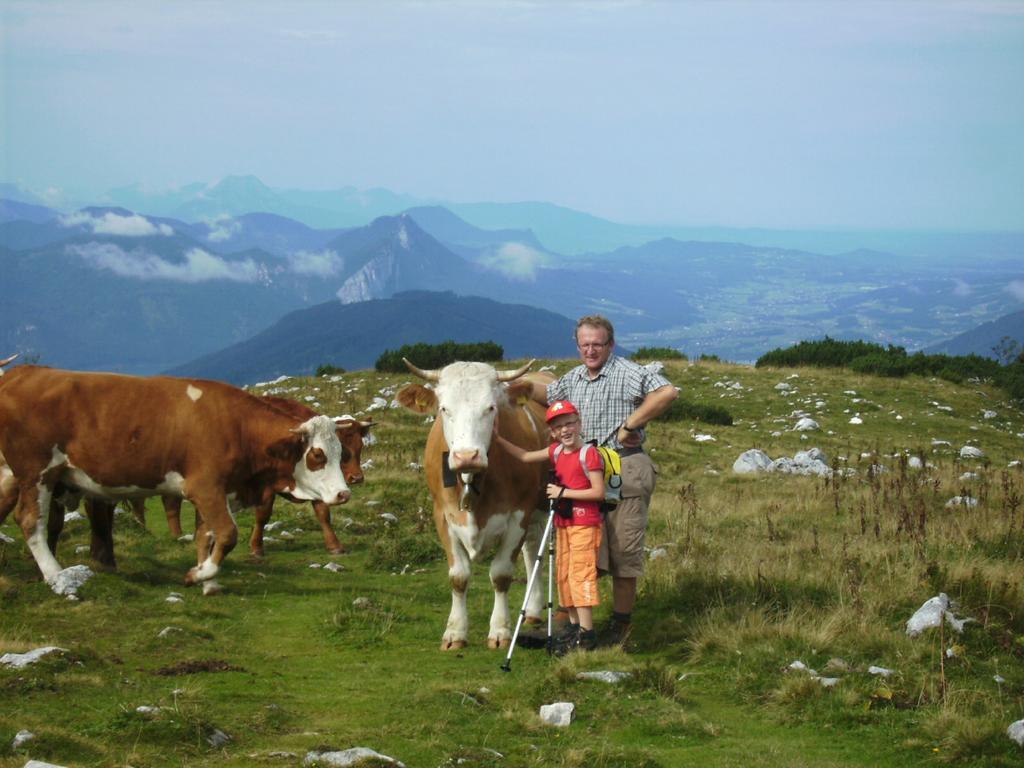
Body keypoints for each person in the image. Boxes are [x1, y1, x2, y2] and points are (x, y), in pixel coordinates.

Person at [533, 315, 678, 647]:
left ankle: (620, 626)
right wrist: (516, 385)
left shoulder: (626, 373)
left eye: (597, 343)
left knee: (623, 551)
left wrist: (631, 425)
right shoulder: (574, 378)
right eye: (584, 344)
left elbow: (667, 392)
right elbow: (550, 394)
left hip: (624, 468)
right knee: (582, 550)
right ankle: (577, 625)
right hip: (585, 473)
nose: (591, 350)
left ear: (611, 344)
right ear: (577, 345)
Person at [495, 400, 604, 653]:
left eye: (569, 424)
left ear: (579, 424)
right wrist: (497, 439)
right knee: (564, 577)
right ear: (553, 433)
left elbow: (598, 492)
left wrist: (562, 492)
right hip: (563, 524)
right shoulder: (555, 452)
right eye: (558, 427)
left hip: (584, 524)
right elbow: (524, 456)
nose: (565, 430)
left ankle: (587, 636)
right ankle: (575, 630)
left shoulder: (589, 454)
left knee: (580, 576)